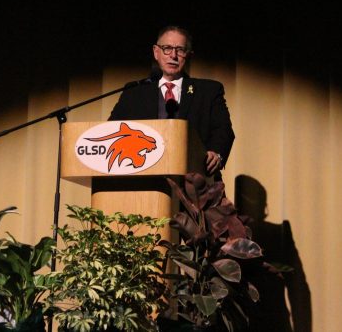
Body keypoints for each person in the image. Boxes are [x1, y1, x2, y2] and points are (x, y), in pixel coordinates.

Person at [109, 25, 235, 179]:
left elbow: (223, 130)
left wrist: (217, 154)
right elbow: (113, 130)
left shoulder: (209, 91)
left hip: (196, 182)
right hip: (144, 180)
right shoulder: (134, 92)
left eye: (180, 50)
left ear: (188, 55)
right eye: (167, 48)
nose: (173, 55)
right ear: (156, 52)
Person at [235, 174, 312, 332]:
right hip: (273, 323)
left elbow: (299, 289)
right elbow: (299, 290)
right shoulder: (278, 235)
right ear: (264, 207)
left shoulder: (225, 234)